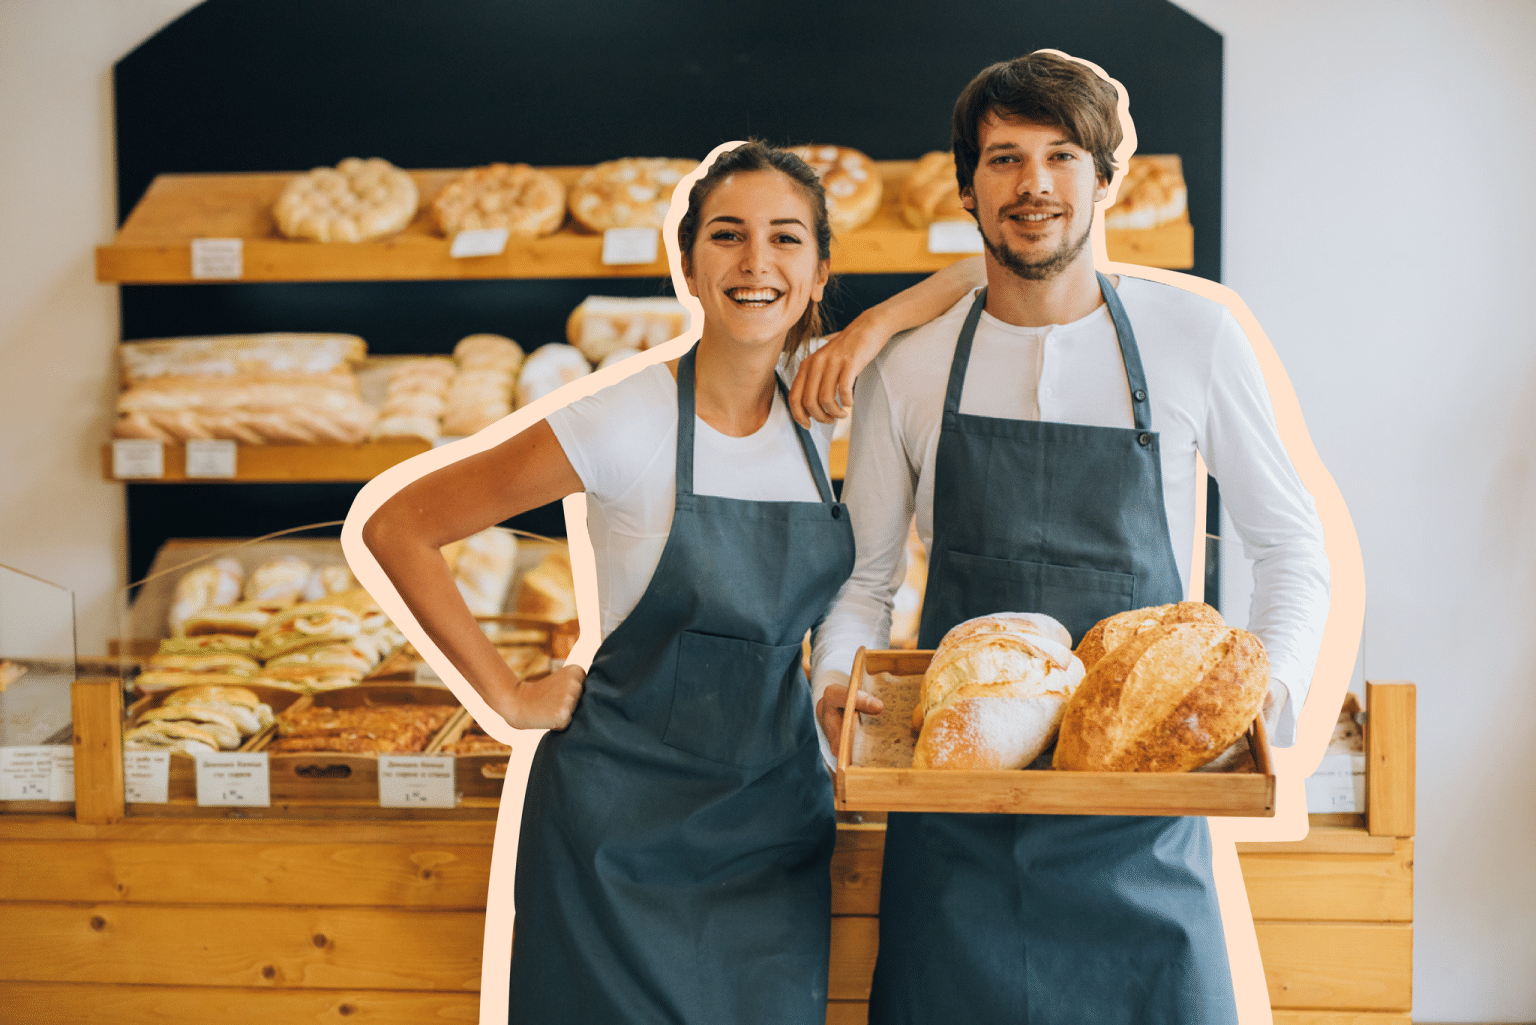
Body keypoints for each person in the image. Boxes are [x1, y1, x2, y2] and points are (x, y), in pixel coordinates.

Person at [800, 52, 1331, 1024]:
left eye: (1061, 156)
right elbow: (863, 580)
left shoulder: (1195, 338)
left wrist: (1270, 700)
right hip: (954, 831)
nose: (1033, 184)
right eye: (1003, 159)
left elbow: (1291, 543)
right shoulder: (909, 369)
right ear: (968, 186)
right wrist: (839, 679)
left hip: (1142, 831)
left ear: (1104, 179)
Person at [362, 140, 920, 1024]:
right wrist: (505, 696)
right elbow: (400, 526)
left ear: (819, 273)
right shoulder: (622, 417)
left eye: (786, 240)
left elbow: (968, 279)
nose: (755, 263)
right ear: (690, 267)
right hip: (613, 837)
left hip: (773, 826)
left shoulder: (821, 415)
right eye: (728, 237)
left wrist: (875, 326)